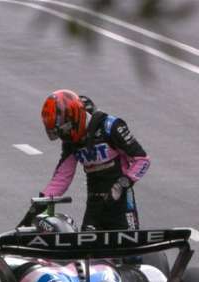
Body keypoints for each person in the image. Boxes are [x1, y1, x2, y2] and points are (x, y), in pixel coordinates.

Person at [19, 89, 150, 230]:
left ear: (75, 118)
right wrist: (37, 208)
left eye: (64, 130)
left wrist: (122, 184)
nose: (64, 136)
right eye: (59, 133)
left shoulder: (110, 127)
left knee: (128, 246)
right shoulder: (71, 142)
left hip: (121, 200)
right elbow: (62, 177)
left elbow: (142, 160)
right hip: (94, 203)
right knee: (87, 249)